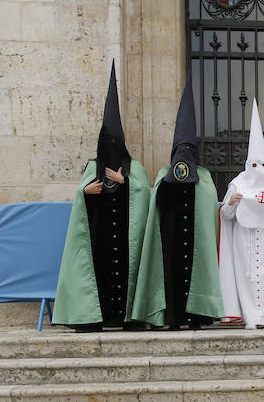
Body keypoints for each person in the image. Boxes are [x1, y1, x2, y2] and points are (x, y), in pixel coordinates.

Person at [53, 62, 150, 332]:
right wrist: (85, 192)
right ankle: (93, 317)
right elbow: (80, 198)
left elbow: (144, 194)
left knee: (126, 274)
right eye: (106, 144)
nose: (111, 149)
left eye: (115, 144)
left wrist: (126, 182)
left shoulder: (135, 168)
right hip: (99, 236)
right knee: (100, 275)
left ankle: (130, 316)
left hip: (126, 237)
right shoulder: (91, 167)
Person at [131, 75, 223, 329]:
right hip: (169, 237)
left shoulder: (204, 178)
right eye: (180, 147)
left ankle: (196, 316)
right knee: (170, 276)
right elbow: (156, 203)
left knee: (195, 274)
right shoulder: (163, 174)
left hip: (194, 240)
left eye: (188, 148)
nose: (184, 153)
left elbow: (208, 216)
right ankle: (171, 318)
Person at [218, 101, 264, 330]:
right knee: (247, 276)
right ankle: (251, 317)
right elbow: (227, 216)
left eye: (262, 164)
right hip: (243, 239)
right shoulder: (237, 184)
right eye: (254, 164)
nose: (258, 168)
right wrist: (230, 203)